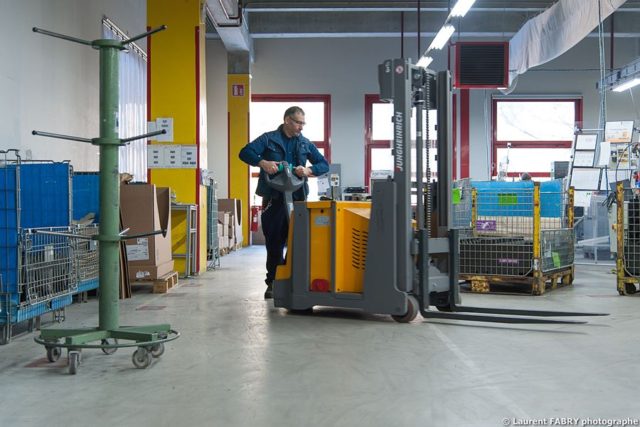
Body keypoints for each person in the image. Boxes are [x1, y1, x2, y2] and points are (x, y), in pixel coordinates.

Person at [239, 106, 329, 299]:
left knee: (298, 240)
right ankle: (273, 282)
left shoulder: (304, 144)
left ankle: (291, 279)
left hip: (298, 199)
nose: (301, 127)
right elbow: (245, 152)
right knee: (274, 242)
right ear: (287, 120)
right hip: (274, 198)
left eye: (303, 123)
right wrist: (262, 163)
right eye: (298, 122)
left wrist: (308, 171)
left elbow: (324, 164)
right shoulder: (268, 139)